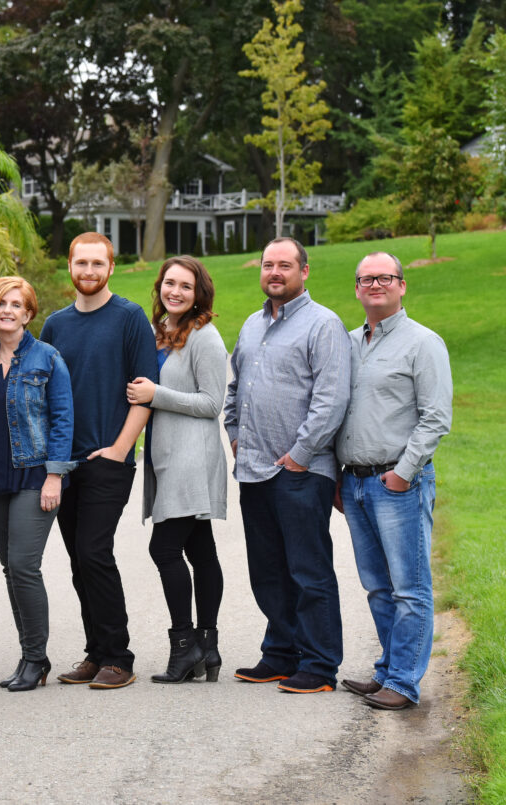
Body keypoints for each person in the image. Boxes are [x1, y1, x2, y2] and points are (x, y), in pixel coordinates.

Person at [223, 237, 351, 694]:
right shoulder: (251, 325)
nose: (274, 272)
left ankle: (319, 665)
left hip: (301, 472)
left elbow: (331, 398)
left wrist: (301, 453)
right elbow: (235, 389)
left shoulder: (324, 325)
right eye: (267, 264)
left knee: (308, 571)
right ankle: (280, 654)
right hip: (254, 469)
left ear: (304, 271)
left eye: (285, 265)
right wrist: (235, 436)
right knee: (268, 570)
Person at [40, 232, 158, 689]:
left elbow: (144, 393)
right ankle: (96, 652)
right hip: (63, 464)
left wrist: (119, 450)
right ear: (69, 265)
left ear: (111, 266)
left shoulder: (129, 319)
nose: (88, 271)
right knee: (78, 559)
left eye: (97, 263)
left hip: (108, 459)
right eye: (80, 263)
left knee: (94, 551)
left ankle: (119, 657)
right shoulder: (55, 325)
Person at [336, 252, 452, 710]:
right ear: (358, 288)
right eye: (366, 278)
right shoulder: (346, 343)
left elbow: (436, 417)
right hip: (355, 484)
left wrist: (403, 475)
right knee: (378, 587)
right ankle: (387, 670)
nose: (375, 285)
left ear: (402, 286)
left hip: (398, 483)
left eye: (384, 277)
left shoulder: (423, 343)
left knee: (410, 587)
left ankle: (404, 682)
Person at [127, 256, 227, 684]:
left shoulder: (205, 336)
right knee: (200, 550)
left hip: (192, 457)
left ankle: (184, 646)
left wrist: (156, 394)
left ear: (198, 292)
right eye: (170, 283)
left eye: (186, 286)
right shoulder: (161, 333)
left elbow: (211, 403)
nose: (176, 292)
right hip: (167, 457)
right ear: (160, 286)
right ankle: (209, 645)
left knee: (164, 549)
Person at [0, 277, 75, 692]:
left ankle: (36, 658)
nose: (8, 310)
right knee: (9, 569)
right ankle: (28, 655)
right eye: (2, 303)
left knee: (23, 566)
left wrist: (55, 474)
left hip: (35, 475)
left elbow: (63, 418)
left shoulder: (47, 359)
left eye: (17, 304)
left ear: (29, 313)